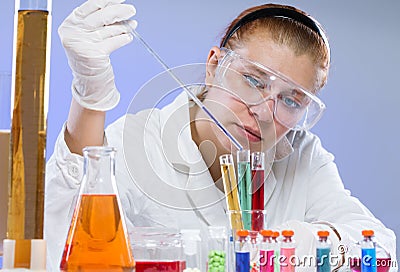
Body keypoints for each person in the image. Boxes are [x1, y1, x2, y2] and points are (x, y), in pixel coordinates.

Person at [45, 0, 397, 271]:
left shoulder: (302, 158)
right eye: (253, 80)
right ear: (215, 66)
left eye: (291, 100)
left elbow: (382, 248)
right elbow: (54, 245)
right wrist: (89, 99)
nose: (262, 111)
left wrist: (294, 242)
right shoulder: (140, 142)